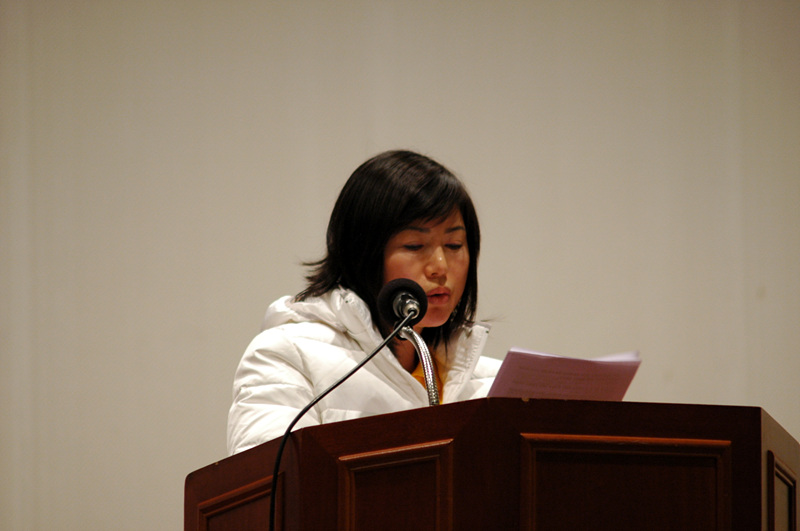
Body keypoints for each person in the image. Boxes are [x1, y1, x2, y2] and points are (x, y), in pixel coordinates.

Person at [227, 150, 500, 455]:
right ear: (363, 253)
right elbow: (276, 481)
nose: (440, 266)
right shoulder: (287, 357)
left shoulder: (493, 384)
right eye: (414, 245)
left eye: (454, 245)